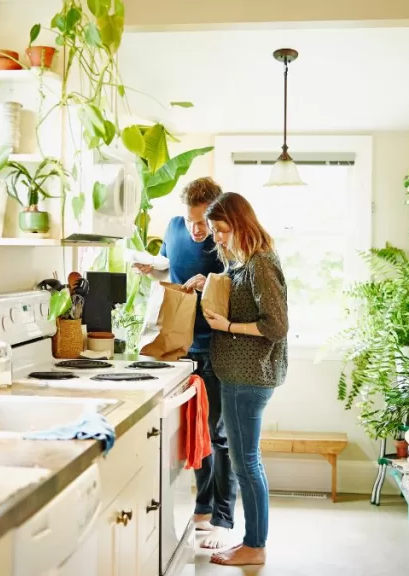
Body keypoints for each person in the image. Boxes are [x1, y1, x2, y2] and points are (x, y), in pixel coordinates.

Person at [133, 177, 237, 550]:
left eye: (202, 222)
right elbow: (170, 266)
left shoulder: (227, 237)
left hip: (217, 348)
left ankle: (223, 516)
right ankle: (203, 505)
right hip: (180, 347)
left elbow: (239, 281)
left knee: (220, 436)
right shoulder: (175, 228)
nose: (196, 230)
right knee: (197, 434)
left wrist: (209, 279)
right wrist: (155, 268)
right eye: (190, 220)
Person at [201, 192, 289, 567]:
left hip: (247, 377)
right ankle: (252, 542)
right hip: (239, 375)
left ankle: (255, 546)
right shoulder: (245, 262)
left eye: (221, 230)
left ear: (240, 223)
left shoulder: (261, 264)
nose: (217, 238)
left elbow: (277, 325)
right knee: (246, 461)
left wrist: (229, 326)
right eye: (213, 231)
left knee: (246, 463)